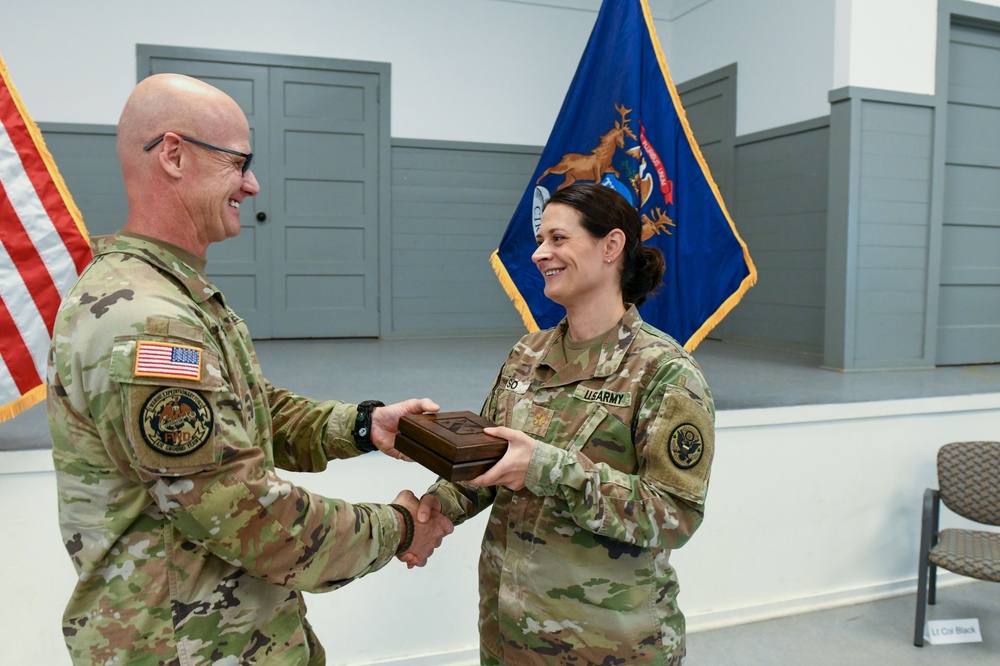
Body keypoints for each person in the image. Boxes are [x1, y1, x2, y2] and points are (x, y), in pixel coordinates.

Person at [46, 73, 453, 665]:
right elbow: (249, 515)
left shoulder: (164, 294)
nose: (253, 184)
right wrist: (398, 528)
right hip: (187, 647)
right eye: (239, 162)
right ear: (174, 155)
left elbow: (248, 409)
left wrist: (364, 426)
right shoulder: (148, 322)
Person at [407, 182, 716, 665]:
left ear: (611, 246)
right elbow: (488, 463)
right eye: (540, 240)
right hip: (508, 636)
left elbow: (675, 515)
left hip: (608, 647)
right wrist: (431, 508)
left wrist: (550, 468)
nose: (538, 254)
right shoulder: (526, 355)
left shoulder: (666, 371)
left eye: (558, 239)